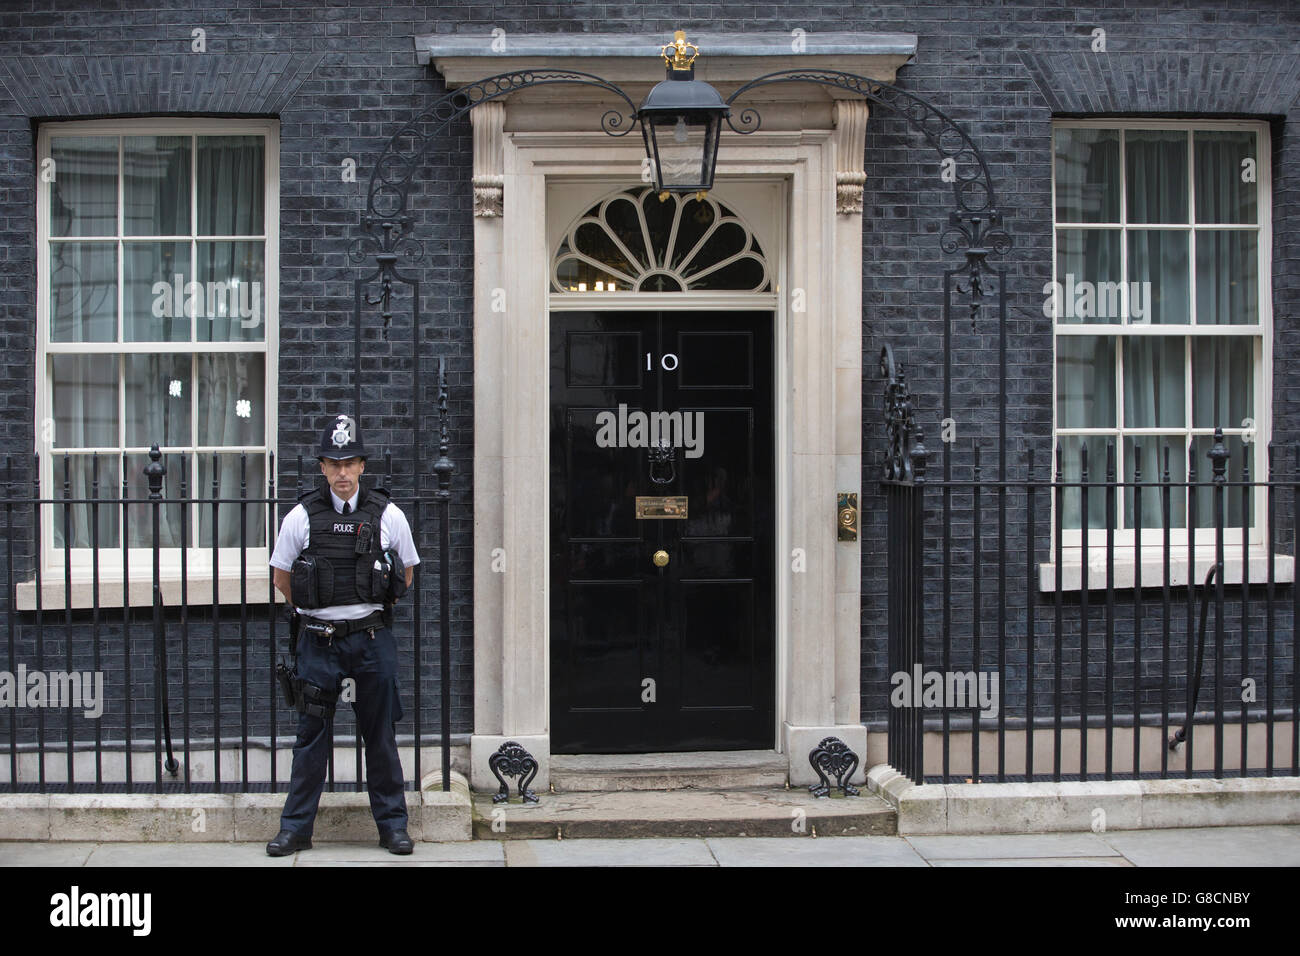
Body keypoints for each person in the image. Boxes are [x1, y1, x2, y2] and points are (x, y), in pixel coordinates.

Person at [265, 413, 420, 856]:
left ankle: (392, 827)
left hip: (371, 640)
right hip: (318, 642)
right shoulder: (301, 515)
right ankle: (296, 830)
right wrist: (316, 613)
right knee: (311, 736)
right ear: (322, 468)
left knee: (381, 736)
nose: (342, 473)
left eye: (350, 463)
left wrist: (369, 609)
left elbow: (406, 574)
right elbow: (281, 577)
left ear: (362, 466)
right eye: (334, 464)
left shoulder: (388, 514)